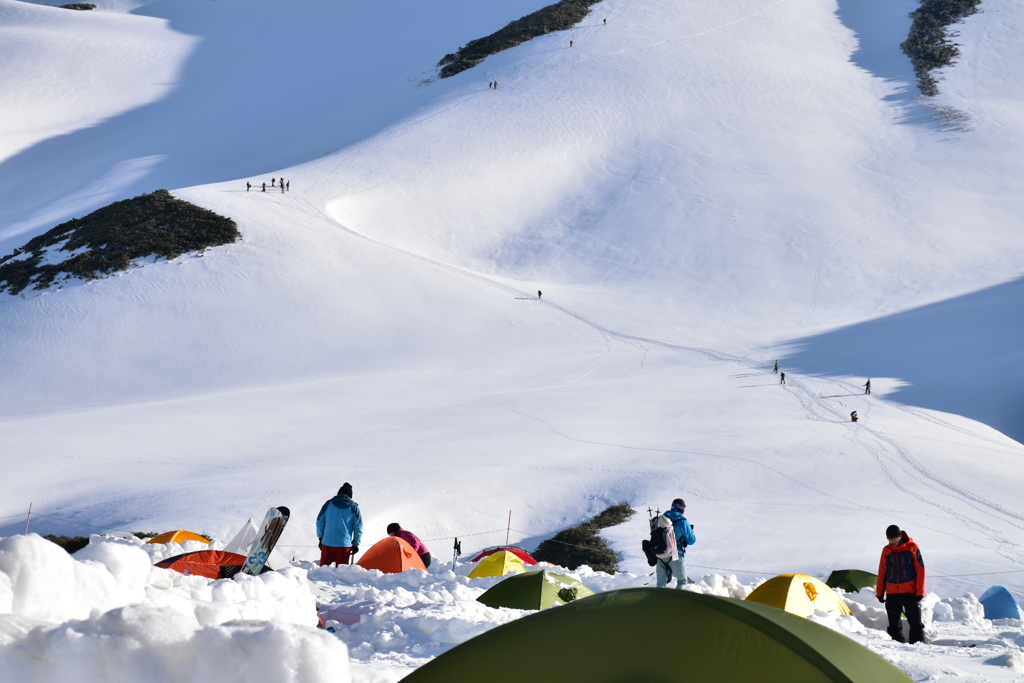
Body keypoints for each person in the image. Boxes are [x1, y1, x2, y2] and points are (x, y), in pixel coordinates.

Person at [876, 525, 926, 644]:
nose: (891, 541)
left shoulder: (912, 547)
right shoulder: (886, 550)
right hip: (892, 593)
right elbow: (882, 571)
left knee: (915, 623)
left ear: (900, 536)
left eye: (894, 538)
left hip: (910, 593)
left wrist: (920, 592)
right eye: (889, 539)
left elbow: (921, 570)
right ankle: (897, 646)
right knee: (894, 624)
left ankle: (917, 646)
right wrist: (880, 593)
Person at [316, 482, 363, 566]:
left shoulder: (328, 504)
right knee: (341, 572)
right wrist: (355, 543)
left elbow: (319, 521)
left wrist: (320, 538)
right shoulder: (354, 507)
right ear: (350, 496)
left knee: (323, 571)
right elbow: (358, 527)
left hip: (327, 542)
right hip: (344, 545)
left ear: (338, 493)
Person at [656, 498, 696, 588]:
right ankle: (676, 601)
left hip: (660, 554)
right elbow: (692, 540)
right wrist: (691, 531)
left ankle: (657, 601)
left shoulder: (662, 519)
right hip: (675, 554)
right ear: (682, 509)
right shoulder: (683, 522)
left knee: (660, 585)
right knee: (682, 581)